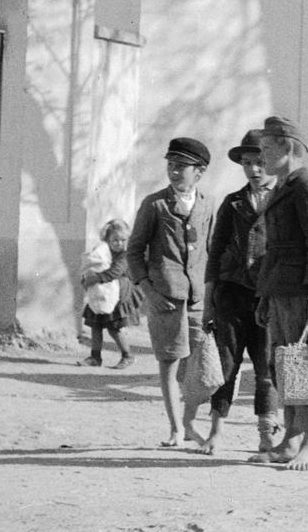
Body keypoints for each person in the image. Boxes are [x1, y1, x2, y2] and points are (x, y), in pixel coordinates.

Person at [253, 114, 308, 471]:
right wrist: (264, 295)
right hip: (280, 290)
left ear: (287, 148)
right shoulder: (284, 187)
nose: (261, 158)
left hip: (303, 290)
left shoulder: (305, 186)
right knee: (285, 365)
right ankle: (290, 438)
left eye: (267, 150)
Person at [126, 136, 217, 449]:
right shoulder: (155, 204)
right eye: (171, 165)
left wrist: (212, 294)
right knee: (169, 363)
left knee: (200, 367)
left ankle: (190, 422)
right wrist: (147, 290)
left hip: (198, 300)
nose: (175, 172)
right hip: (164, 298)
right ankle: (176, 428)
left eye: (182, 167)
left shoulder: (208, 204)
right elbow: (134, 251)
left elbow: (211, 251)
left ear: (199, 172)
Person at [201, 127, 279, 458]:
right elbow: (215, 252)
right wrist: (209, 302)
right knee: (225, 365)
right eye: (247, 163)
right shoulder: (233, 203)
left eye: (260, 162)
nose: (254, 170)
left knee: (266, 369)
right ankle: (216, 432)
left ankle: (266, 437)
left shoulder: (284, 200)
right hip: (231, 296)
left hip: (268, 298)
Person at [78, 219, 135, 368]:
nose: (119, 243)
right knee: (96, 327)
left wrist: (95, 278)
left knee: (114, 328)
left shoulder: (124, 256)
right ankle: (95, 357)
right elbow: (92, 264)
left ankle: (127, 355)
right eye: (114, 240)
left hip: (117, 297)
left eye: (123, 240)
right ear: (107, 239)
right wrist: (86, 278)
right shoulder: (103, 252)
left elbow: (115, 272)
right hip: (100, 295)